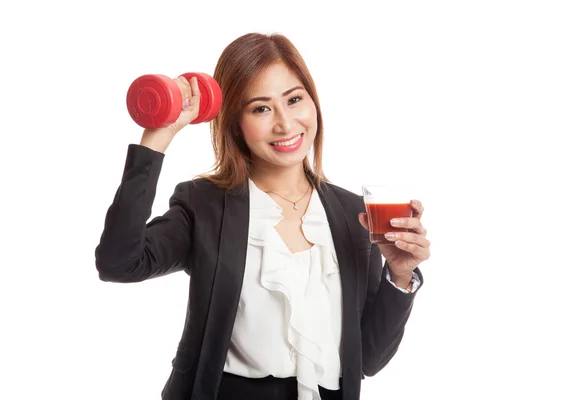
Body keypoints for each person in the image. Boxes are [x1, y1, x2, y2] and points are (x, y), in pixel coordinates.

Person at [95, 32, 430, 400]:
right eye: (261, 108)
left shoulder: (354, 215)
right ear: (234, 122)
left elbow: (366, 360)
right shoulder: (203, 204)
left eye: (294, 99)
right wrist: (156, 140)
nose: (286, 124)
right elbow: (118, 263)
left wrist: (399, 276)